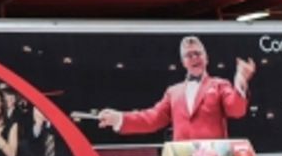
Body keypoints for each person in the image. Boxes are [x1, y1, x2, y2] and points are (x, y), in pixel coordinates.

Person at [97, 36, 255, 140]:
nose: (194, 58)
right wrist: (119, 118)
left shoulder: (220, 85)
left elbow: (237, 110)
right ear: (183, 62)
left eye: (197, 53)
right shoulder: (173, 92)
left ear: (206, 58)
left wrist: (240, 81)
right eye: (189, 55)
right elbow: (152, 118)